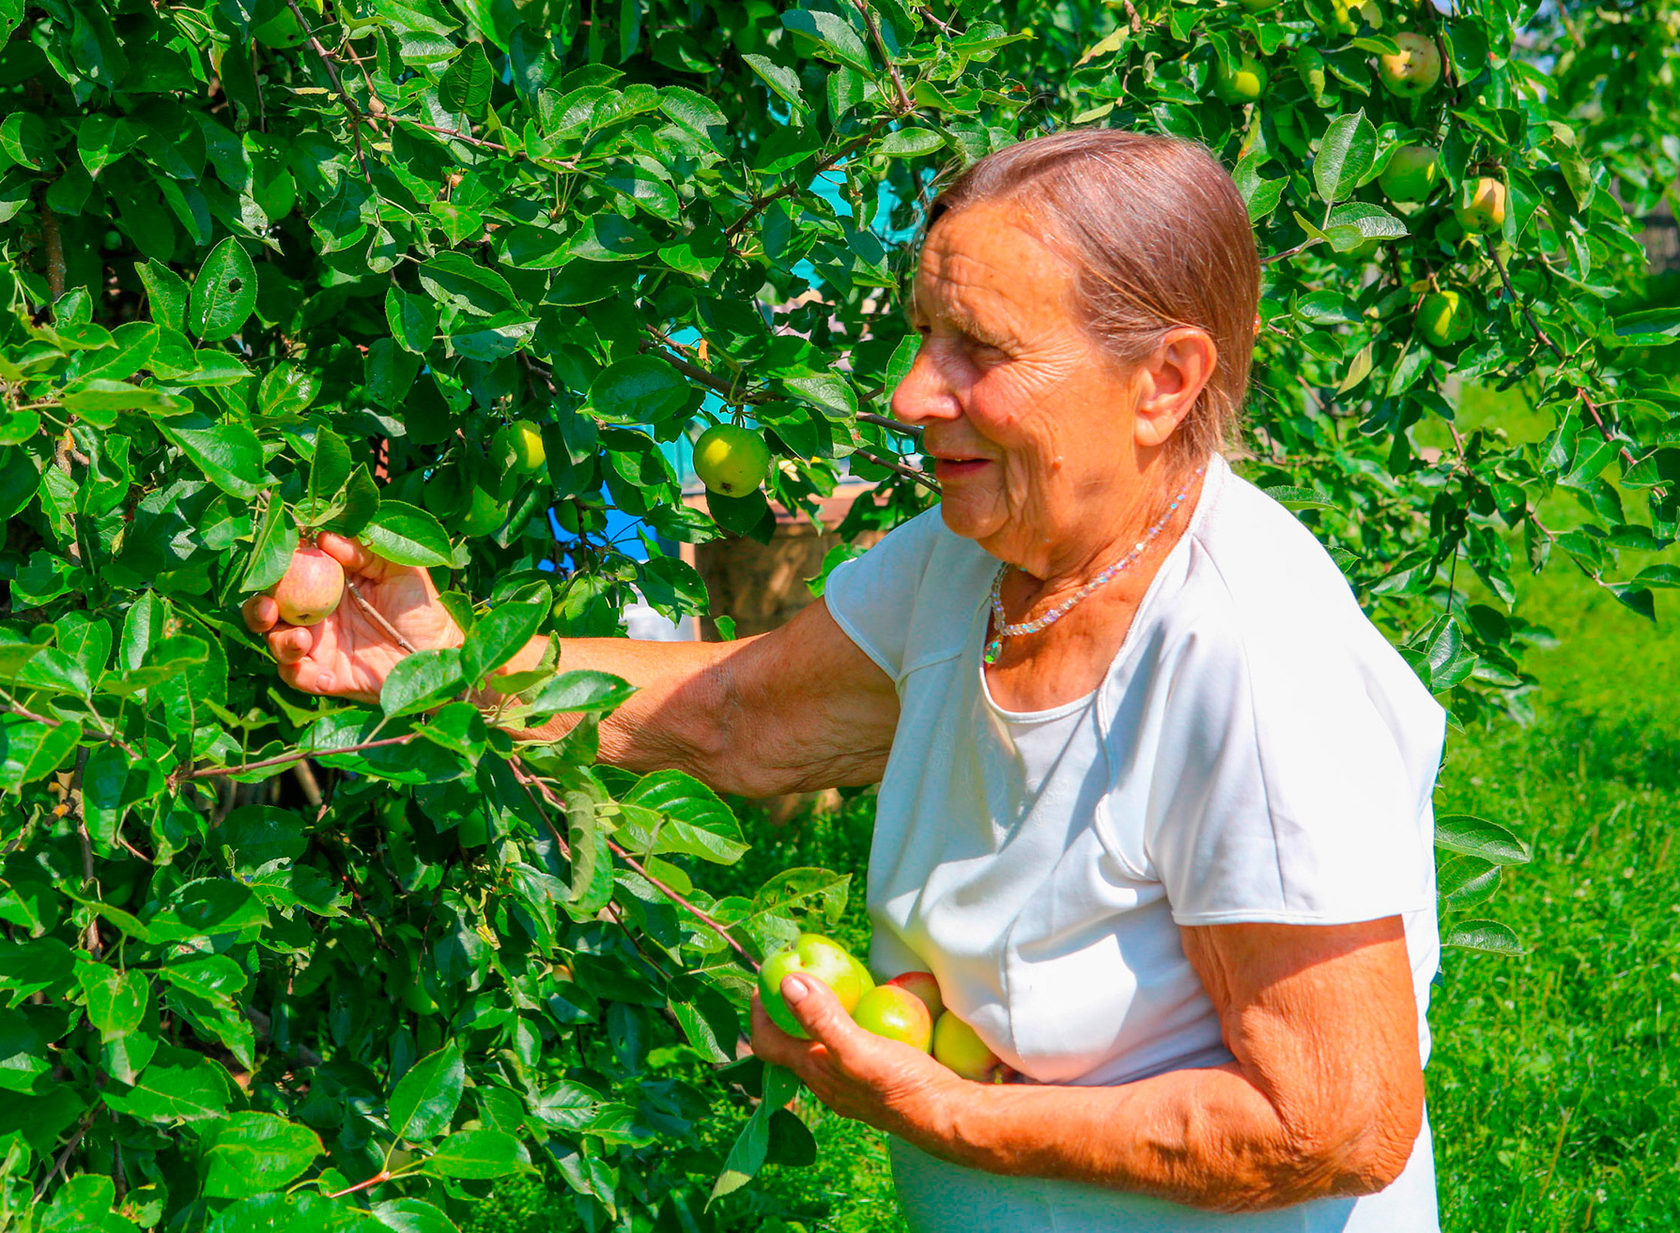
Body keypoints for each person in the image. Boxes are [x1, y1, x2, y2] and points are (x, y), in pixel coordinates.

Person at [245, 130, 1445, 1231]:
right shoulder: (966, 562)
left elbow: (1333, 1120)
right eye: (926, 337)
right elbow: (738, 715)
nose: (912, 396)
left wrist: (941, 1113)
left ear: (1164, 381)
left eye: (981, 349)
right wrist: (438, 664)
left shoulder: (1249, 661)